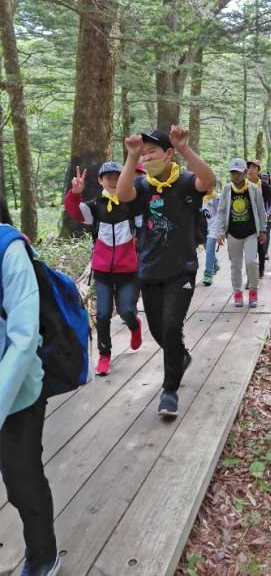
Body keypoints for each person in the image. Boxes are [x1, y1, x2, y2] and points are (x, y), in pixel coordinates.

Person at [116, 126, 216, 418]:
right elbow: (122, 194)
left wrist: (185, 149)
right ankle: (180, 356)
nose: (147, 157)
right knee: (160, 331)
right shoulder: (142, 186)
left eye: (152, 152)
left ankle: (169, 391)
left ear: (168, 153)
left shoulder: (185, 183)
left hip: (181, 270)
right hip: (149, 271)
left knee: (172, 326)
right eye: (143, 153)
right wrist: (131, 156)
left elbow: (208, 181)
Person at [0, 199, 60, 576]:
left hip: (19, 394)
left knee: (21, 480)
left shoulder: (9, 249)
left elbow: (23, 339)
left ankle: (43, 555)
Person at [64, 161, 142, 377]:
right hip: (103, 271)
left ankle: (135, 326)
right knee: (103, 314)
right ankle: (104, 355)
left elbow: (145, 228)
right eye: (108, 177)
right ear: (100, 180)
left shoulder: (132, 204)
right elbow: (75, 211)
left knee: (127, 311)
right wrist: (75, 193)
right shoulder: (94, 206)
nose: (113, 181)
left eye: (117, 177)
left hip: (128, 271)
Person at [215, 158, 266, 308]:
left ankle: (253, 292)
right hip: (233, 234)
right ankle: (237, 294)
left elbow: (261, 210)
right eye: (232, 173)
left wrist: (263, 230)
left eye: (238, 172)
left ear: (244, 172)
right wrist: (220, 232)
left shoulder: (253, 189)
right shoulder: (227, 189)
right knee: (235, 265)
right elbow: (221, 211)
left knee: (251, 262)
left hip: (250, 233)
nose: (235, 175)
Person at [246, 161, 271, 277]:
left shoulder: (264, 186)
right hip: (247, 221)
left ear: (258, 171)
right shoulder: (242, 185)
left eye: (253, 168)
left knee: (260, 247)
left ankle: (261, 269)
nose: (250, 170)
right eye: (248, 167)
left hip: (262, 220)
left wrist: (269, 213)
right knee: (250, 249)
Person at [202, 189, 220, 286]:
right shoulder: (198, 195)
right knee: (207, 248)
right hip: (203, 228)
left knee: (209, 249)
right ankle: (215, 264)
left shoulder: (215, 197)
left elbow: (220, 213)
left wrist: (220, 230)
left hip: (213, 228)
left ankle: (208, 275)